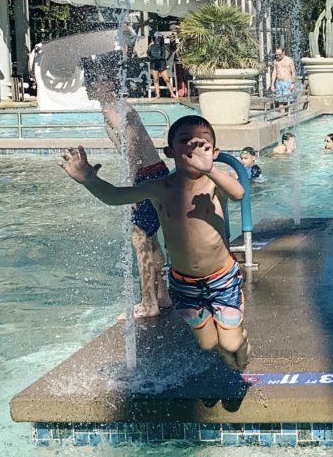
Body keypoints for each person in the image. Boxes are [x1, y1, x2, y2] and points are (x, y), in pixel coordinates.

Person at [60, 115, 250, 370]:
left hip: (221, 278)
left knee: (229, 345)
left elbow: (239, 193)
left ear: (214, 151)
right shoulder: (160, 188)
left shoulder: (216, 182)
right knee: (208, 345)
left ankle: (241, 343)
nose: (194, 147)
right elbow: (116, 196)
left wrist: (211, 169)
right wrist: (89, 180)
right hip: (185, 284)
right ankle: (231, 344)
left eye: (202, 143)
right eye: (185, 141)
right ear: (170, 151)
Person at [82, 52, 170, 318]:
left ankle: (148, 302)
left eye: (93, 81)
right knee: (150, 238)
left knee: (139, 239)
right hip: (155, 171)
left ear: (109, 84)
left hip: (144, 175)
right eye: (87, 81)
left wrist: (131, 183)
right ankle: (162, 295)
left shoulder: (113, 108)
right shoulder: (119, 105)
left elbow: (132, 145)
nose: (88, 86)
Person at [147, 32, 176, 98]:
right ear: (155, 38)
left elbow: (170, 51)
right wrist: (151, 59)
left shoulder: (163, 45)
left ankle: (172, 93)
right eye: (158, 37)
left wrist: (167, 58)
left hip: (162, 63)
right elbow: (148, 53)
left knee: (167, 79)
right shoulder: (151, 45)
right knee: (156, 79)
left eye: (160, 37)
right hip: (154, 63)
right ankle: (158, 94)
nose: (159, 39)